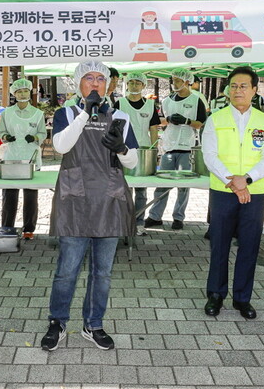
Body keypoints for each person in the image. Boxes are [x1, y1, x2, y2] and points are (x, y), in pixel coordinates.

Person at [41, 60, 138, 352]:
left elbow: (132, 161)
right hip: (75, 200)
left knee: (103, 271)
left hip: (109, 199)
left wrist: (120, 148)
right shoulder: (67, 113)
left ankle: (93, 323)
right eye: (88, 78)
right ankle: (57, 322)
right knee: (67, 269)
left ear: (108, 84)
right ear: (78, 83)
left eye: (100, 78)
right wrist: (86, 112)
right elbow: (61, 146)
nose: (95, 83)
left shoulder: (121, 116)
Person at [201, 66, 264, 320]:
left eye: (244, 86)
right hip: (223, 190)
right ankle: (215, 294)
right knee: (219, 244)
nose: (238, 90)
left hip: (254, 192)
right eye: (233, 86)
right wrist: (232, 181)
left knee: (249, 245)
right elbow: (209, 154)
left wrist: (246, 179)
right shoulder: (216, 119)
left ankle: (242, 298)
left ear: (255, 90)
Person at [145, 68, 206, 230]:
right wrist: (169, 120)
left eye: (177, 80)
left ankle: (178, 217)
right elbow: (160, 121)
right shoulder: (167, 100)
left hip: (187, 146)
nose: (174, 83)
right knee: (162, 184)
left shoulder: (196, 100)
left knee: (183, 186)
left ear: (187, 81)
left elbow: (200, 123)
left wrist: (187, 121)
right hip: (169, 146)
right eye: (173, 80)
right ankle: (155, 216)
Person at [0, 78, 47, 239]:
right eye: (19, 91)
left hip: (31, 157)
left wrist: (34, 138)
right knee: (9, 195)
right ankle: (7, 228)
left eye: (25, 90)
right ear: (14, 93)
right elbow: (0, 131)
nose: (23, 93)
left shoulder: (38, 114)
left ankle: (29, 229)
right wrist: (6, 136)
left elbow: (43, 133)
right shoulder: (6, 113)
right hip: (11, 157)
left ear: (30, 92)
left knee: (31, 196)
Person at [116, 72, 160, 235]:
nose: (134, 86)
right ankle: (123, 222)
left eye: (137, 83)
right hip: (123, 150)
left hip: (144, 151)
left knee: (141, 190)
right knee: (123, 189)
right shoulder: (119, 103)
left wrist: (154, 150)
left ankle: (139, 222)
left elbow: (154, 128)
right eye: (131, 82)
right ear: (127, 85)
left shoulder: (149, 105)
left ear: (143, 85)